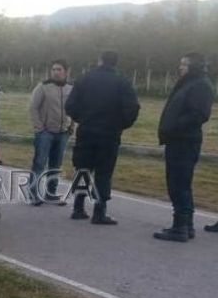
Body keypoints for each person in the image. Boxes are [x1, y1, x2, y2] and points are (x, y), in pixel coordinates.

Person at [65, 51, 140, 224]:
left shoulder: (84, 79)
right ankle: (100, 211)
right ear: (115, 63)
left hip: (87, 131)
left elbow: (70, 105)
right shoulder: (123, 82)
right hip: (109, 133)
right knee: (104, 173)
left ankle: (78, 207)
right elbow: (132, 108)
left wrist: (81, 118)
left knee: (83, 168)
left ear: (100, 61)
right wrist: (120, 124)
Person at [153, 52, 215, 242]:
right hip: (178, 139)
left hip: (184, 140)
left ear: (193, 66)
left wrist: (174, 126)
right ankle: (186, 225)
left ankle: (180, 227)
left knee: (179, 184)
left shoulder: (200, 85)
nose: (180, 67)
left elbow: (199, 114)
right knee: (179, 183)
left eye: (184, 64)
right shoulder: (190, 83)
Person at [29, 60, 73, 205]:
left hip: (63, 133)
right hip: (45, 132)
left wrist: (72, 126)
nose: (55, 72)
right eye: (53, 69)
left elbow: (74, 109)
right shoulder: (43, 87)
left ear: (66, 71)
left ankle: (51, 193)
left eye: (59, 69)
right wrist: (39, 128)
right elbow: (33, 108)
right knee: (39, 163)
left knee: (56, 165)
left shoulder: (70, 88)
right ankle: (34, 193)